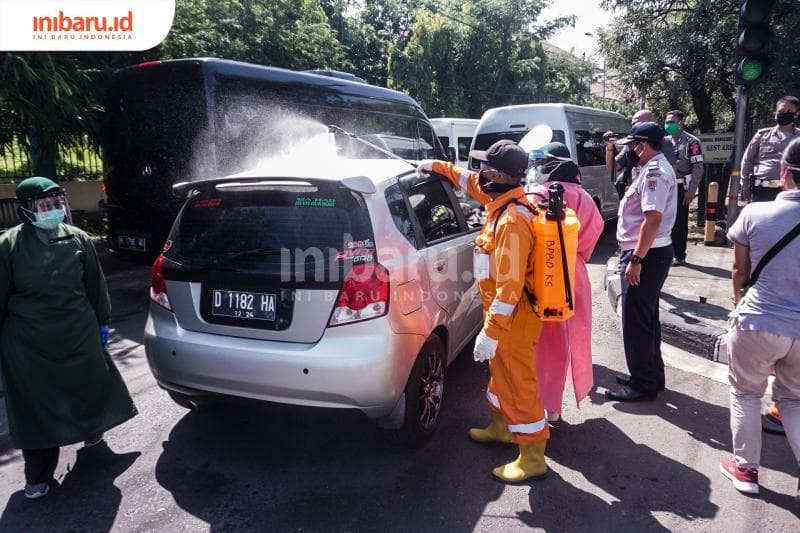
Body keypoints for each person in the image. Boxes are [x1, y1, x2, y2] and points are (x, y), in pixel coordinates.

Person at [418, 140, 549, 483]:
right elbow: (467, 181)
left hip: (514, 319)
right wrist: (437, 167)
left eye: (486, 169)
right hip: (503, 316)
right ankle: (501, 427)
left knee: (519, 382)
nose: (480, 174)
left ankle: (533, 455)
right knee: (500, 375)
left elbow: (510, 287)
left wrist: (491, 330)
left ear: (499, 175)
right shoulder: (499, 199)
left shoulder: (512, 222)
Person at [0, 177, 137, 500]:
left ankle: (95, 447)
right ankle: (38, 475)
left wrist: (103, 321)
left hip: (79, 334)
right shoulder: (9, 246)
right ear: (25, 210)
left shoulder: (77, 238)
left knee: (88, 390)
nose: (52, 211)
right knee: (37, 407)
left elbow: (95, 285)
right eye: (43, 206)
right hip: (29, 344)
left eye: (56, 204)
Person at [720, 137, 800, 500]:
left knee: (746, 394)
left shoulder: (755, 213)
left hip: (757, 320)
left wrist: (739, 306)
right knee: (795, 401)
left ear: (783, 172)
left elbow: (740, 271)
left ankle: (745, 470)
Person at [528, 143, 604, 423]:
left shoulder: (540, 194)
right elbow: (596, 230)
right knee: (571, 337)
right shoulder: (583, 195)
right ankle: (555, 409)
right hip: (576, 273)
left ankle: (539, 407)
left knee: (544, 343)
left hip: (546, 274)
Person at [605, 122, 677, 402]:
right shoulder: (649, 170)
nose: (628, 150)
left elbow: (653, 219)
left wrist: (635, 259)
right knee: (647, 320)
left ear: (642, 145)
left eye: (631, 145)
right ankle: (651, 376)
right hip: (648, 253)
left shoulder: (655, 173)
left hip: (645, 255)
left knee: (636, 322)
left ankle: (642, 384)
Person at [740, 95, 800, 203]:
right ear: (775, 113)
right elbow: (747, 160)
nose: (785, 113)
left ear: (796, 114)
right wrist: (745, 185)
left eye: (789, 111)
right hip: (761, 191)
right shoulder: (762, 135)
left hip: (790, 193)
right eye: (781, 111)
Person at [606, 109, 677, 196]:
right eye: (632, 125)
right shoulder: (629, 144)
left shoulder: (664, 142)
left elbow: (671, 172)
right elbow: (613, 167)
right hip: (633, 194)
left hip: (651, 193)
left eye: (637, 124)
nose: (633, 128)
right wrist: (609, 149)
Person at [665, 110, 704, 266]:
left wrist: (692, 190)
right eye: (667, 122)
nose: (668, 125)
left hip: (682, 186)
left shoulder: (691, 142)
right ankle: (667, 252)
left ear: (681, 123)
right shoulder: (665, 141)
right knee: (666, 221)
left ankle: (679, 254)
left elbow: (698, 167)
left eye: (671, 122)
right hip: (667, 186)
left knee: (680, 222)